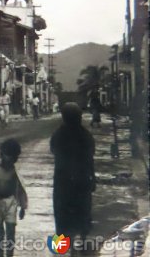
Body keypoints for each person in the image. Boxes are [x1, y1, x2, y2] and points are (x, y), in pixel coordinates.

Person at [51, 102, 95, 241]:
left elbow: (53, 150)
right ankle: (82, 238)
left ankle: (61, 244)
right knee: (83, 209)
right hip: (82, 178)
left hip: (62, 180)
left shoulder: (59, 134)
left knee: (61, 213)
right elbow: (90, 158)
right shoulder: (85, 135)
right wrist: (92, 177)